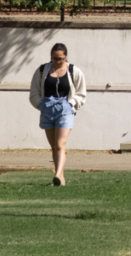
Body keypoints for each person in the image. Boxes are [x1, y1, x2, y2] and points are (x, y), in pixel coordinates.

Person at [26, 42, 86, 186]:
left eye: (61, 59)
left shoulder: (74, 71)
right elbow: (34, 91)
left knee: (60, 144)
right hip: (47, 108)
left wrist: (71, 104)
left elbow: (81, 92)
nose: (58, 61)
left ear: (66, 57)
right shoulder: (42, 70)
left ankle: (58, 174)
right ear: (51, 57)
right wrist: (40, 105)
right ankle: (61, 178)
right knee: (54, 146)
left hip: (65, 109)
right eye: (55, 58)